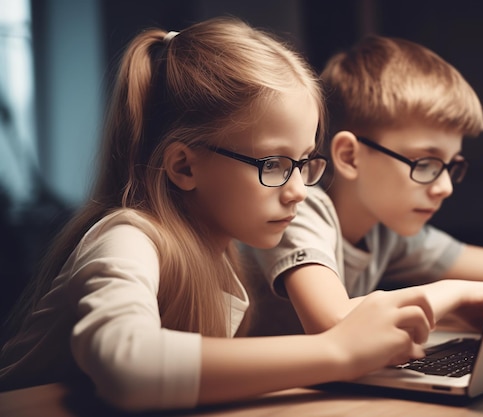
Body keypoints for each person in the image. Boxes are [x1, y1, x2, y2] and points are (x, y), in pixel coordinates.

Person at [0, 18, 439, 411]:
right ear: (184, 166)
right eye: (273, 164)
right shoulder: (127, 237)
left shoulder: (223, 255)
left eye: (305, 162)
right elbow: (126, 365)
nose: (299, 191)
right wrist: (338, 352)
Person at [240, 35, 483, 337]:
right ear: (350, 157)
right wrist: (458, 294)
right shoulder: (299, 210)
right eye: (425, 164)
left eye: (450, 166)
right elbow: (335, 324)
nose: (445, 187)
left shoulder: (384, 231)